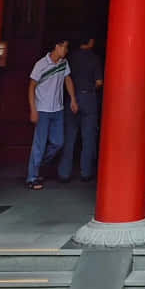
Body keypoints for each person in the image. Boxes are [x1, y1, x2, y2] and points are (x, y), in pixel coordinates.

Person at [26, 36, 76, 189]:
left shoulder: (64, 63)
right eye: (65, 47)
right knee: (39, 145)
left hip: (58, 109)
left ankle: (38, 164)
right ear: (57, 46)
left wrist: (73, 99)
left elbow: (67, 80)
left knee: (58, 143)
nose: (66, 50)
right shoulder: (41, 64)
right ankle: (32, 177)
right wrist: (33, 109)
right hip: (42, 109)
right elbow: (31, 87)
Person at [58, 32, 102, 182]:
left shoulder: (70, 57)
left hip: (71, 98)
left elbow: (65, 77)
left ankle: (64, 173)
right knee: (88, 138)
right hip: (88, 98)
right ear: (90, 41)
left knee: (69, 137)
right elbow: (99, 82)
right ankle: (86, 172)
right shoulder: (94, 58)